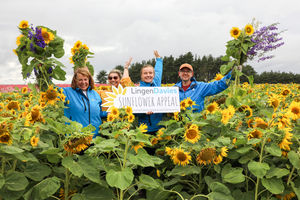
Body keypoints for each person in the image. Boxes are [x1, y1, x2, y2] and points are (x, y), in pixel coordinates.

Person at [63, 68, 107, 137]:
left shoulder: (95, 94)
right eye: (80, 80)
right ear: (75, 80)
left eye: (85, 79)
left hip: (95, 137)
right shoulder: (67, 92)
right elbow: (52, 90)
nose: (83, 82)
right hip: (76, 137)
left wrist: (109, 113)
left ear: (89, 80)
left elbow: (99, 113)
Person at [136, 50, 163, 134]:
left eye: (150, 73)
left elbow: (158, 70)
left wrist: (158, 59)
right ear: (141, 76)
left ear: (153, 75)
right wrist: (143, 111)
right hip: (144, 129)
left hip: (159, 128)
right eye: (145, 73)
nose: (148, 75)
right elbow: (133, 111)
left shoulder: (156, 83)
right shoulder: (137, 90)